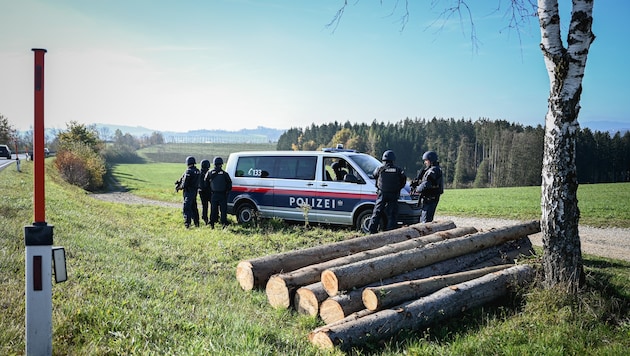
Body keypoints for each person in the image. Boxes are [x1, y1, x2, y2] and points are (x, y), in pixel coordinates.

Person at [368, 150, 406, 233]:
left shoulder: (380, 168)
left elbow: (374, 176)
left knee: (377, 212)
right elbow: (403, 180)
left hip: (382, 193)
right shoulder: (398, 170)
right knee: (392, 214)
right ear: (393, 160)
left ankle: (372, 230)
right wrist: (398, 188)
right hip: (394, 194)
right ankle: (390, 231)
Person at [411, 150, 444, 223]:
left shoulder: (433, 170)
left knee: (425, 221)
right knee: (424, 219)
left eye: (426, 160)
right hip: (429, 199)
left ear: (430, 160)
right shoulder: (433, 169)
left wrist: (417, 189)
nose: (425, 162)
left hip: (430, 199)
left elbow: (426, 184)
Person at [206, 156, 232, 228]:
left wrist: (210, 190)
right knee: (223, 210)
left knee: (213, 209)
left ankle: (212, 224)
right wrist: (227, 192)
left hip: (214, 194)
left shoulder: (210, 173)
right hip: (222, 194)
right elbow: (229, 184)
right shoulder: (224, 174)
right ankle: (223, 224)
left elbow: (206, 182)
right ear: (221, 164)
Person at [175, 156, 201, 228]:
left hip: (188, 192)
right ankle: (196, 223)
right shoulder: (197, 171)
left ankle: (187, 223)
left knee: (186, 207)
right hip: (194, 191)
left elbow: (185, 183)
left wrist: (179, 187)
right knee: (194, 207)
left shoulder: (188, 171)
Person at [198, 159, 212, 225]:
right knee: (213, 205)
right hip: (209, 191)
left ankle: (205, 218)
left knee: (204, 205)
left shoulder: (199, 172)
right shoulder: (209, 173)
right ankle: (214, 217)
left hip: (201, 191)